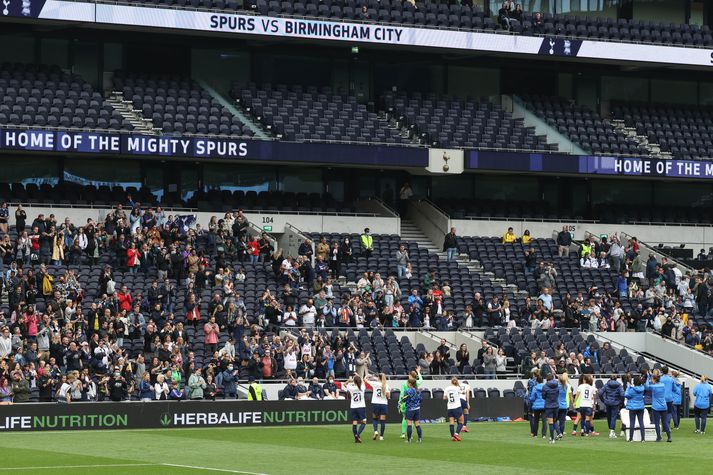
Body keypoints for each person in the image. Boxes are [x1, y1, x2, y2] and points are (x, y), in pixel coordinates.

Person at [646, 371, 671, 442]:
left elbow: (647, 386)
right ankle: (669, 437)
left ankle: (659, 437)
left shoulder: (653, 387)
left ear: (654, 380)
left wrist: (648, 377)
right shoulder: (663, 385)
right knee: (665, 422)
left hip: (656, 407)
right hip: (663, 406)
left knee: (656, 422)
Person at [599, 374, 624, 438]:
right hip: (615, 403)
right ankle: (612, 431)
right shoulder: (619, 385)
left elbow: (600, 393)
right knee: (613, 417)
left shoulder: (607, 384)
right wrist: (621, 401)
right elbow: (622, 394)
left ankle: (611, 430)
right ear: (616, 378)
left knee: (609, 417)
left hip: (608, 402)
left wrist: (603, 400)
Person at [400, 368, 423, 438]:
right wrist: (419, 372)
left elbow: (402, 394)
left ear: (410, 375)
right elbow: (421, 380)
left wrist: (400, 403)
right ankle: (417, 437)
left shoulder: (405, 383)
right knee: (415, 421)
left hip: (407, 404)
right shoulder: (417, 383)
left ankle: (404, 433)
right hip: (416, 406)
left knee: (405, 418)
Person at [346, 374, 367, 443]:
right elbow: (363, 381)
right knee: (364, 422)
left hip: (353, 407)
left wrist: (349, 381)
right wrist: (358, 376)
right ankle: (357, 435)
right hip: (361, 406)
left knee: (354, 422)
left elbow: (344, 384)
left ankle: (356, 436)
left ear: (354, 382)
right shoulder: (362, 387)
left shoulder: (351, 388)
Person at [624, 375, 646, 442]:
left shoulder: (632, 390)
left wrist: (628, 387)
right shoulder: (642, 388)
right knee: (641, 422)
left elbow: (626, 395)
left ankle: (631, 438)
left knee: (632, 423)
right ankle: (643, 439)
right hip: (640, 406)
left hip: (633, 407)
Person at [368, 373, 389, 440]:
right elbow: (388, 396)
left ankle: (376, 431)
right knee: (382, 421)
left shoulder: (375, 384)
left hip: (375, 403)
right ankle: (381, 437)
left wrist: (367, 376)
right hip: (383, 404)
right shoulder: (386, 385)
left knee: (375, 418)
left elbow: (365, 380)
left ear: (378, 378)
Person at [542, 373, 560, 443]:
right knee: (554, 421)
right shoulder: (557, 385)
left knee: (550, 423)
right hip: (556, 405)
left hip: (548, 406)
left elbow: (543, 396)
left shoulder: (545, 386)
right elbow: (558, 394)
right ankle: (556, 435)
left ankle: (552, 438)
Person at [444, 376, 464, 442]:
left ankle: (453, 437)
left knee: (451, 422)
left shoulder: (447, 388)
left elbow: (444, 398)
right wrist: (458, 385)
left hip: (450, 407)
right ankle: (456, 434)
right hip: (457, 406)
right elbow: (462, 391)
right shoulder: (457, 388)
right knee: (461, 421)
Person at [529, 373, 545, 438]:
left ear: (537, 381)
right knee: (544, 421)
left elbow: (532, 398)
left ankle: (535, 434)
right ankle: (543, 435)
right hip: (544, 405)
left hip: (536, 406)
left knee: (536, 420)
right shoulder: (545, 387)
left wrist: (533, 401)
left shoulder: (535, 388)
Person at [557, 374, 572, 438]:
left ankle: (558, 432)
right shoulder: (566, 386)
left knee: (554, 420)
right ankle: (561, 432)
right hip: (564, 405)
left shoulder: (557, 386)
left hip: (558, 405)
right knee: (562, 421)